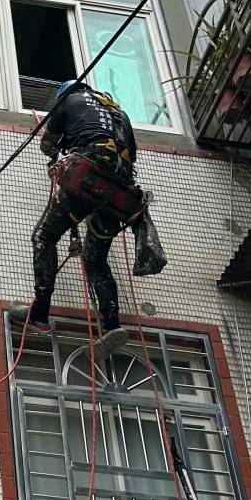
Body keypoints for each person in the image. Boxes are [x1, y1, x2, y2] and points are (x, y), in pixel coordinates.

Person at [28, 79, 166, 352]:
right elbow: (131, 155)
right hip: (119, 192)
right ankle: (112, 325)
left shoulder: (68, 101)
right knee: (96, 259)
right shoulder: (120, 113)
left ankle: (39, 315)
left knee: (45, 237)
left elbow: (47, 145)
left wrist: (58, 152)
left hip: (87, 177)